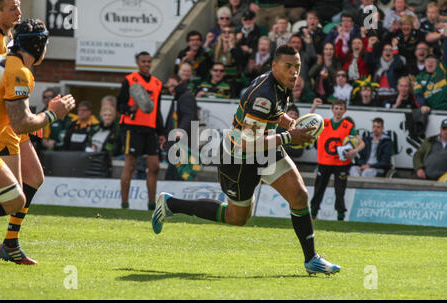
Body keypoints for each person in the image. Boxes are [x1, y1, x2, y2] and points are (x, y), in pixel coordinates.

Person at [152, 44, 342, 276]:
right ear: (274, 66)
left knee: (299, 195)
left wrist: (288, 123)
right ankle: (171, 204)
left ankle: (311, 259)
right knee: (237, 218)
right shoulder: (263, 96)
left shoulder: (281, 84)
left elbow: (274, 114)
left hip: (265, 148)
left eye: (297, 67)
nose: (294, 72)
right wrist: (288, 136)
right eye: (289, 66)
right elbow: (246, 143)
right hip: (238, 160)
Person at [0, 18, 76, 265]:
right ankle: (9, 245)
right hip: (8, 129)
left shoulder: (12, 64)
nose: (17, 10)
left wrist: (34, 119)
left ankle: (10, 244)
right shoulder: (19, 71)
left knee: (25, 186)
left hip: (6, 127)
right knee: (13, 199)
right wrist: (52, 113)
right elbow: (20, 121)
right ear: (39, 46)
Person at [117, 51, 165, 211]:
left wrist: (162, 132)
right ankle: (124, 204)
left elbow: (157, 110)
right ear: (138, 63)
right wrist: (131, 109)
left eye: (148, 61)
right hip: (131, 128)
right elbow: (120, 106)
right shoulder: (130, 80)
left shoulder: (157, 83)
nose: (146, 64)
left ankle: (151, 205)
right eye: (143, 61)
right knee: (130, 166)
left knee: (154, 166)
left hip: (150, 129)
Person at [309, 99, 365, 221]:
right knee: (319, 188)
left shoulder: (348, 126)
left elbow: (362, 143)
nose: (338, 111)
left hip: (341, 163)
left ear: (345, 110)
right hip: (324, 161)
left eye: (341, 109)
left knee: (340, 191)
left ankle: (340, 215)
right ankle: (313, 213)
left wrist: (353, 152)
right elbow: (308, 122)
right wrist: (314, 107)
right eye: (336, 108)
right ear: (332, 109)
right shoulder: (324, 123)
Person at [164, 75, 199, 181]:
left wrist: (180, 131)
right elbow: (171, 121)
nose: (171, 89)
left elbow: (188, 115)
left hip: (183, 144)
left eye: (173, 85)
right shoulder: (178, 97)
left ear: (180, 82)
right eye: (169, 87)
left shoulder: (185, 96)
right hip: (177, 143)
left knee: (178, 175)